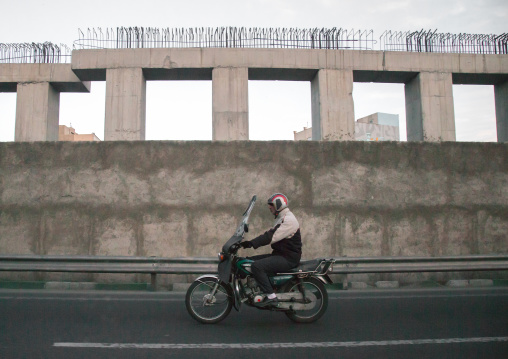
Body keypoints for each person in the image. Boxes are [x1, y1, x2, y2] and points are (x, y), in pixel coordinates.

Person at [240, 193, 302, 307]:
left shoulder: (289, 220)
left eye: (271, 205)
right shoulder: (282, 218)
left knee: (257, 266)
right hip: (280, 255)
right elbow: (268, 234)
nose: (269, 207)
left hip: (288, 258)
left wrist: (251, 243)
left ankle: (271, 297)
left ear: (279, 204)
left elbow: (270, 236)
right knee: (248, 261)